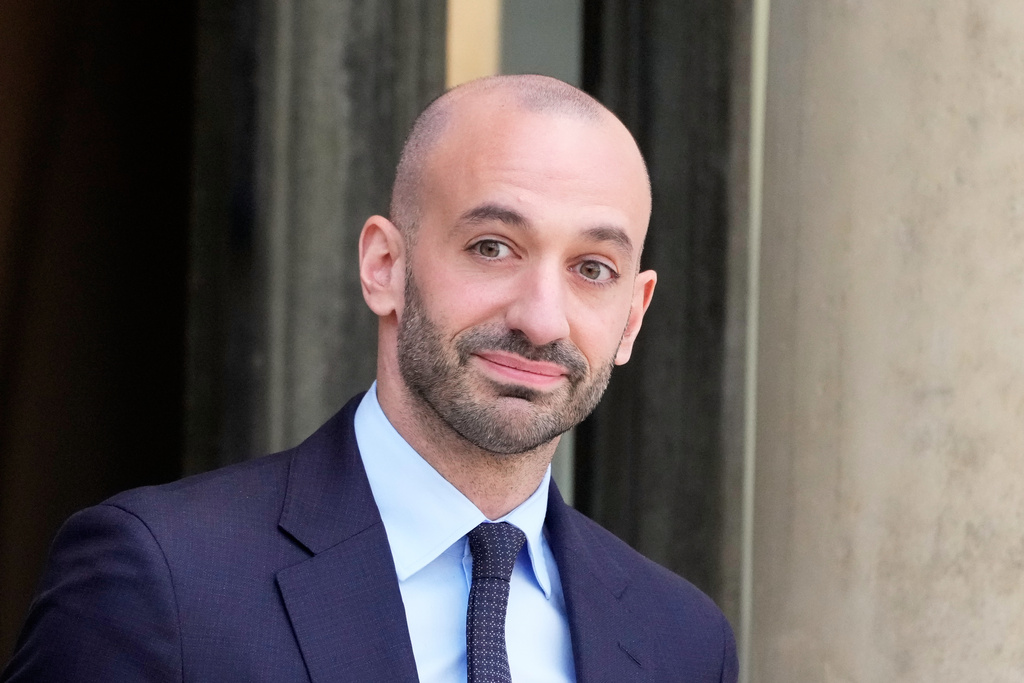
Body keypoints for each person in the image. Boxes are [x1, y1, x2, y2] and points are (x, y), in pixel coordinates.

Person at [3, 75, 737, 682]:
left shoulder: (684, 642)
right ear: (385, 266)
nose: (543, 317)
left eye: (592, 269)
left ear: (633, 317)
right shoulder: (161, 581)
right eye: (492, 247)